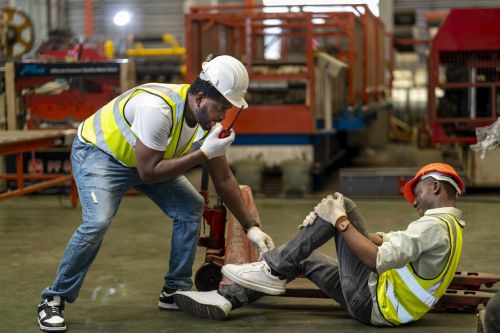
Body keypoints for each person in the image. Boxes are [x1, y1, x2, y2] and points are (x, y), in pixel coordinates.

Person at [36, 54, 275, 333]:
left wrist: (251, 228)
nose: (223, 116)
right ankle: (53, 298)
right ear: (199, 98)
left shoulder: (205, 120)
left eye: (228, 109)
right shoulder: (158, 108)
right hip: (101, 155)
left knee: (190, 207)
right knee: (97, 222)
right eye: (220, 108)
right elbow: (149, 173)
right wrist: (202, 153)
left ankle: (174, 290)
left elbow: (223, 177)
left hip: (146, 160)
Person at [173, 163, 465, 327]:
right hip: (381, 304)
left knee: (344, 206)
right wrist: (332, 218)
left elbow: (376, 260)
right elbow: (389, 241)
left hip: (374, 303)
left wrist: (339, 221)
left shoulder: (433, 227)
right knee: (305, 256)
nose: (414, 201)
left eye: (417, 192)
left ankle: (271, 268)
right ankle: (229, 299)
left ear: (435, 186)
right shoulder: (447, 228)